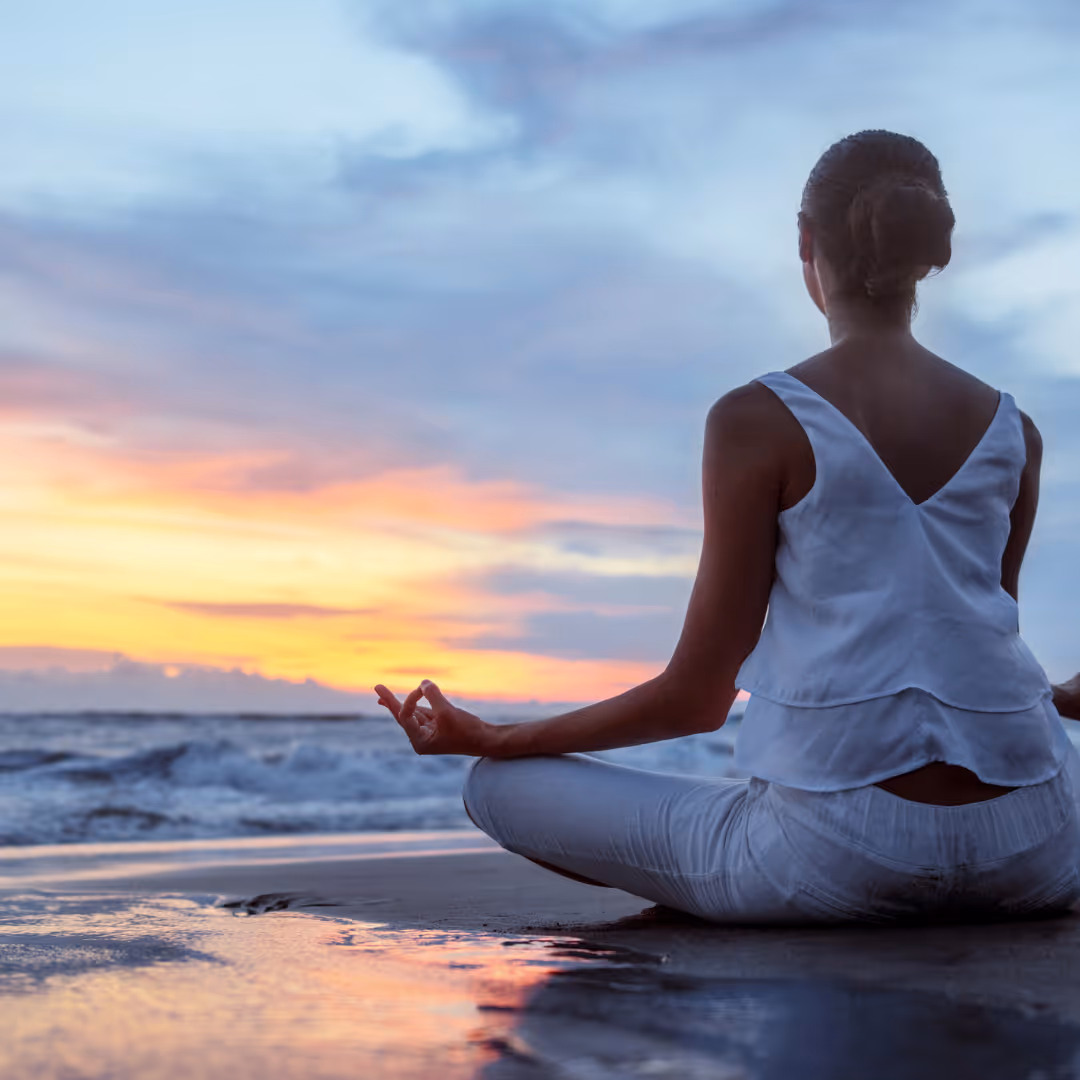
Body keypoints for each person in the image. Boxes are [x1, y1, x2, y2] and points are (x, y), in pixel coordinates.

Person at [376, 130, 1080, 924]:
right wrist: (1055, 695)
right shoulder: (1016, 432)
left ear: (806, 243)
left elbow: (696, 700)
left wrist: (495, 738)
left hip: (840, 857)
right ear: (927, 253)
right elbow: (976, 639)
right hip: (1039, 847)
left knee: (498, 788)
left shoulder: (759, 419)